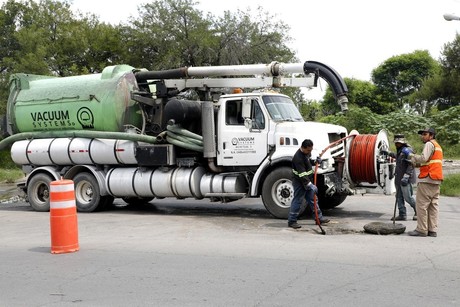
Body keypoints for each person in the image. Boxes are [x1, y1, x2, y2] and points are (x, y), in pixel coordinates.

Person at [407, 127, 443, 237]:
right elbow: (428, 162)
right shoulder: (438, 146)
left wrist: (411, 156)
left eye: (425, 134)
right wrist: (415, 163)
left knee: (421, 205)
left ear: (431, 135)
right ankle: (432, 230)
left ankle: (421, 229)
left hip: (427, 178)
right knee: (433, 206)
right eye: (422, 134)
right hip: (436, 179)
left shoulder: (429, 144)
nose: (422, 136)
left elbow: (423, 158)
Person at [288, 139, 330, 229]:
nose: (309, 152)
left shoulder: (306, 153)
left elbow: (307, 162)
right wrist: (310, 185)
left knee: (313, 199)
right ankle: (292, 221)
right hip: (299, 182)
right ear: (303, 148)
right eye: (308, 150)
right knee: (298, 200)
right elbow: (302, 175)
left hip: (307, 180)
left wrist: (315, 162)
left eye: (311, 150)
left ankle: (319, 218)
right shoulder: (298, 158)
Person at [386, 134, 417, 221]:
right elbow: (398, 157)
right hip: (399, 177)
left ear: (402, 143)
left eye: (398, 143)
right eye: (396, 143)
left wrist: (406, 176)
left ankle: (418, 212)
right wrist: (389, 153)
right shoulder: (400, 150)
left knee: (408, 197)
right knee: (399, 197)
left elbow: (412, 164)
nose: (397, 144)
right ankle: (402, 214)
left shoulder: (408, 150)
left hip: (405, 178)